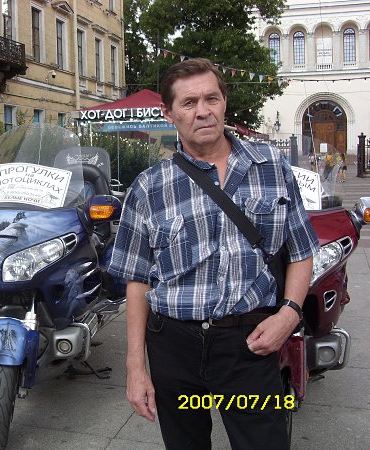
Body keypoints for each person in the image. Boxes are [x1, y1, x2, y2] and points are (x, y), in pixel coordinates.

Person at [108, 58, 319, 450]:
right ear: (168, 113)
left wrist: (289, 314)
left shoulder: (271, 166)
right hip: (173, 348)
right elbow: (137, 280)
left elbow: (302, 250)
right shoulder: (149, 187)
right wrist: (135, 366)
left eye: (211, 98)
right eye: (188, 103)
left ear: (224, 102)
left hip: (249, 344)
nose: (202, 111)